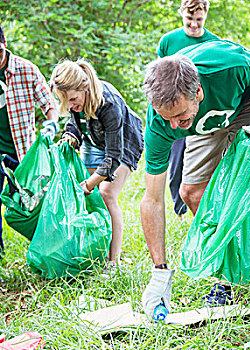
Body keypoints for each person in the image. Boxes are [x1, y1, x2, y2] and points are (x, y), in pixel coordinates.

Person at [140, 39, 250, 317]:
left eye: (178, 115)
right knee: (190, 192)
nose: (173, 127)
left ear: (198, 91)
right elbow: (152, 199)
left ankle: (227, 278)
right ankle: (224, 252)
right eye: (166, 118)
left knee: (236, 188)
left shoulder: (229, 66)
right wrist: (159, 271)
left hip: (242, 107)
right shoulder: (161, 124)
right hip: (205, 126)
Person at [49, 59, 144, 266]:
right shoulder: (75, 101)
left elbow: (113, 158)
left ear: (85, 87)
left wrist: (89, 183)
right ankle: (97, 252)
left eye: (74, 100)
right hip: (94, 140)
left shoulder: (108, 104)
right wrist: (70, 137)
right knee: (92, 200)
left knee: (107, 193)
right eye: (66, 104)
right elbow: (74, 123)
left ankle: (114, 261)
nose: (71, 107)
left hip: (124, 143)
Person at [0, 24, 59, 256]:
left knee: (34, 204)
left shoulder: (26, 70)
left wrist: (52, 123)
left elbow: (49, 105)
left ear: (4, 46)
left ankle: (45, 249)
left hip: (24, 153)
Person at [157, 0, 219, 217]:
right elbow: (160, 78)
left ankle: (205, 202)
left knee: (203, 161)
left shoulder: (213, 42)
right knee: (177, 162)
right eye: (190, 19)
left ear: (205, 16)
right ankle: (179, 207)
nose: (194, 24)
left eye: (199, 20)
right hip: (177, 110)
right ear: (181, 13)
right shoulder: (169, 41)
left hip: (202, 111)